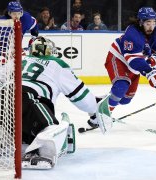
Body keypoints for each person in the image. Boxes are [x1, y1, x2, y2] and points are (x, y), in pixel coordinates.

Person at [21, 36, 100, 169]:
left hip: (2, 103)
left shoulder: (19, 59)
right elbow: (81, 97)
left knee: (27, 126)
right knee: (50, 129)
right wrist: (94, 109)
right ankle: (35, 153)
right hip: (28, 99)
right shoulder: (57, 63)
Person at [89, 7, 156, 130]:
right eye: (148, 23)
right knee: (121, 86)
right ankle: (101, 116)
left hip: (136, 64)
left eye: (154, 22)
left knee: (125, 99)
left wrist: (151, 64)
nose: (151, 26)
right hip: (118, 58)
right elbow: (134, 61)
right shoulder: (132, 34)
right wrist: (150, 72)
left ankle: (98, 102)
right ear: (141, 22)